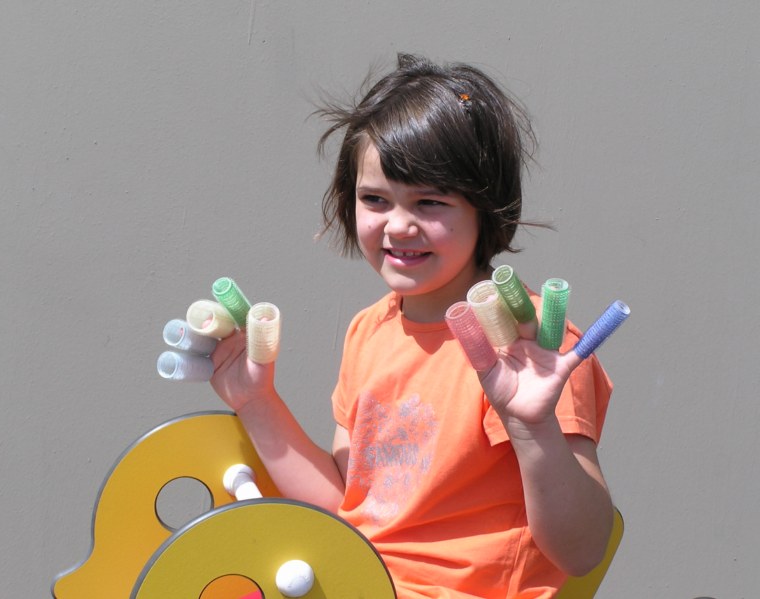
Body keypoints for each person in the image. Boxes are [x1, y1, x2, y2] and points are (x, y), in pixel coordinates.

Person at [209, 53, 615, 599]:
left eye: (429, 202)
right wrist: (256, 402)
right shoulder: (368, 331)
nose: (398, 225)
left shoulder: (532, 343)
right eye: (375, 199)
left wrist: (533, 426)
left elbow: (583, 551)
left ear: (486, 209)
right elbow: (346, 511)